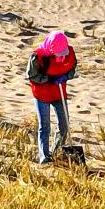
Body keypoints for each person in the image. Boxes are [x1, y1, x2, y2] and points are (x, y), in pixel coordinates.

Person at [26, 30, 77, 164]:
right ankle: (44, 156)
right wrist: (48, 79)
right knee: (45, 126)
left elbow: (72, 68)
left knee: (64, 124)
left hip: (59, 93)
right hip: (42, 94)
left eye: (63, 54)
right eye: (58, 55)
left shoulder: (70, 53)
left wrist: (66, 76)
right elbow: (31, 75)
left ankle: (56, 151)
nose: (62, 58)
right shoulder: (37, 57)